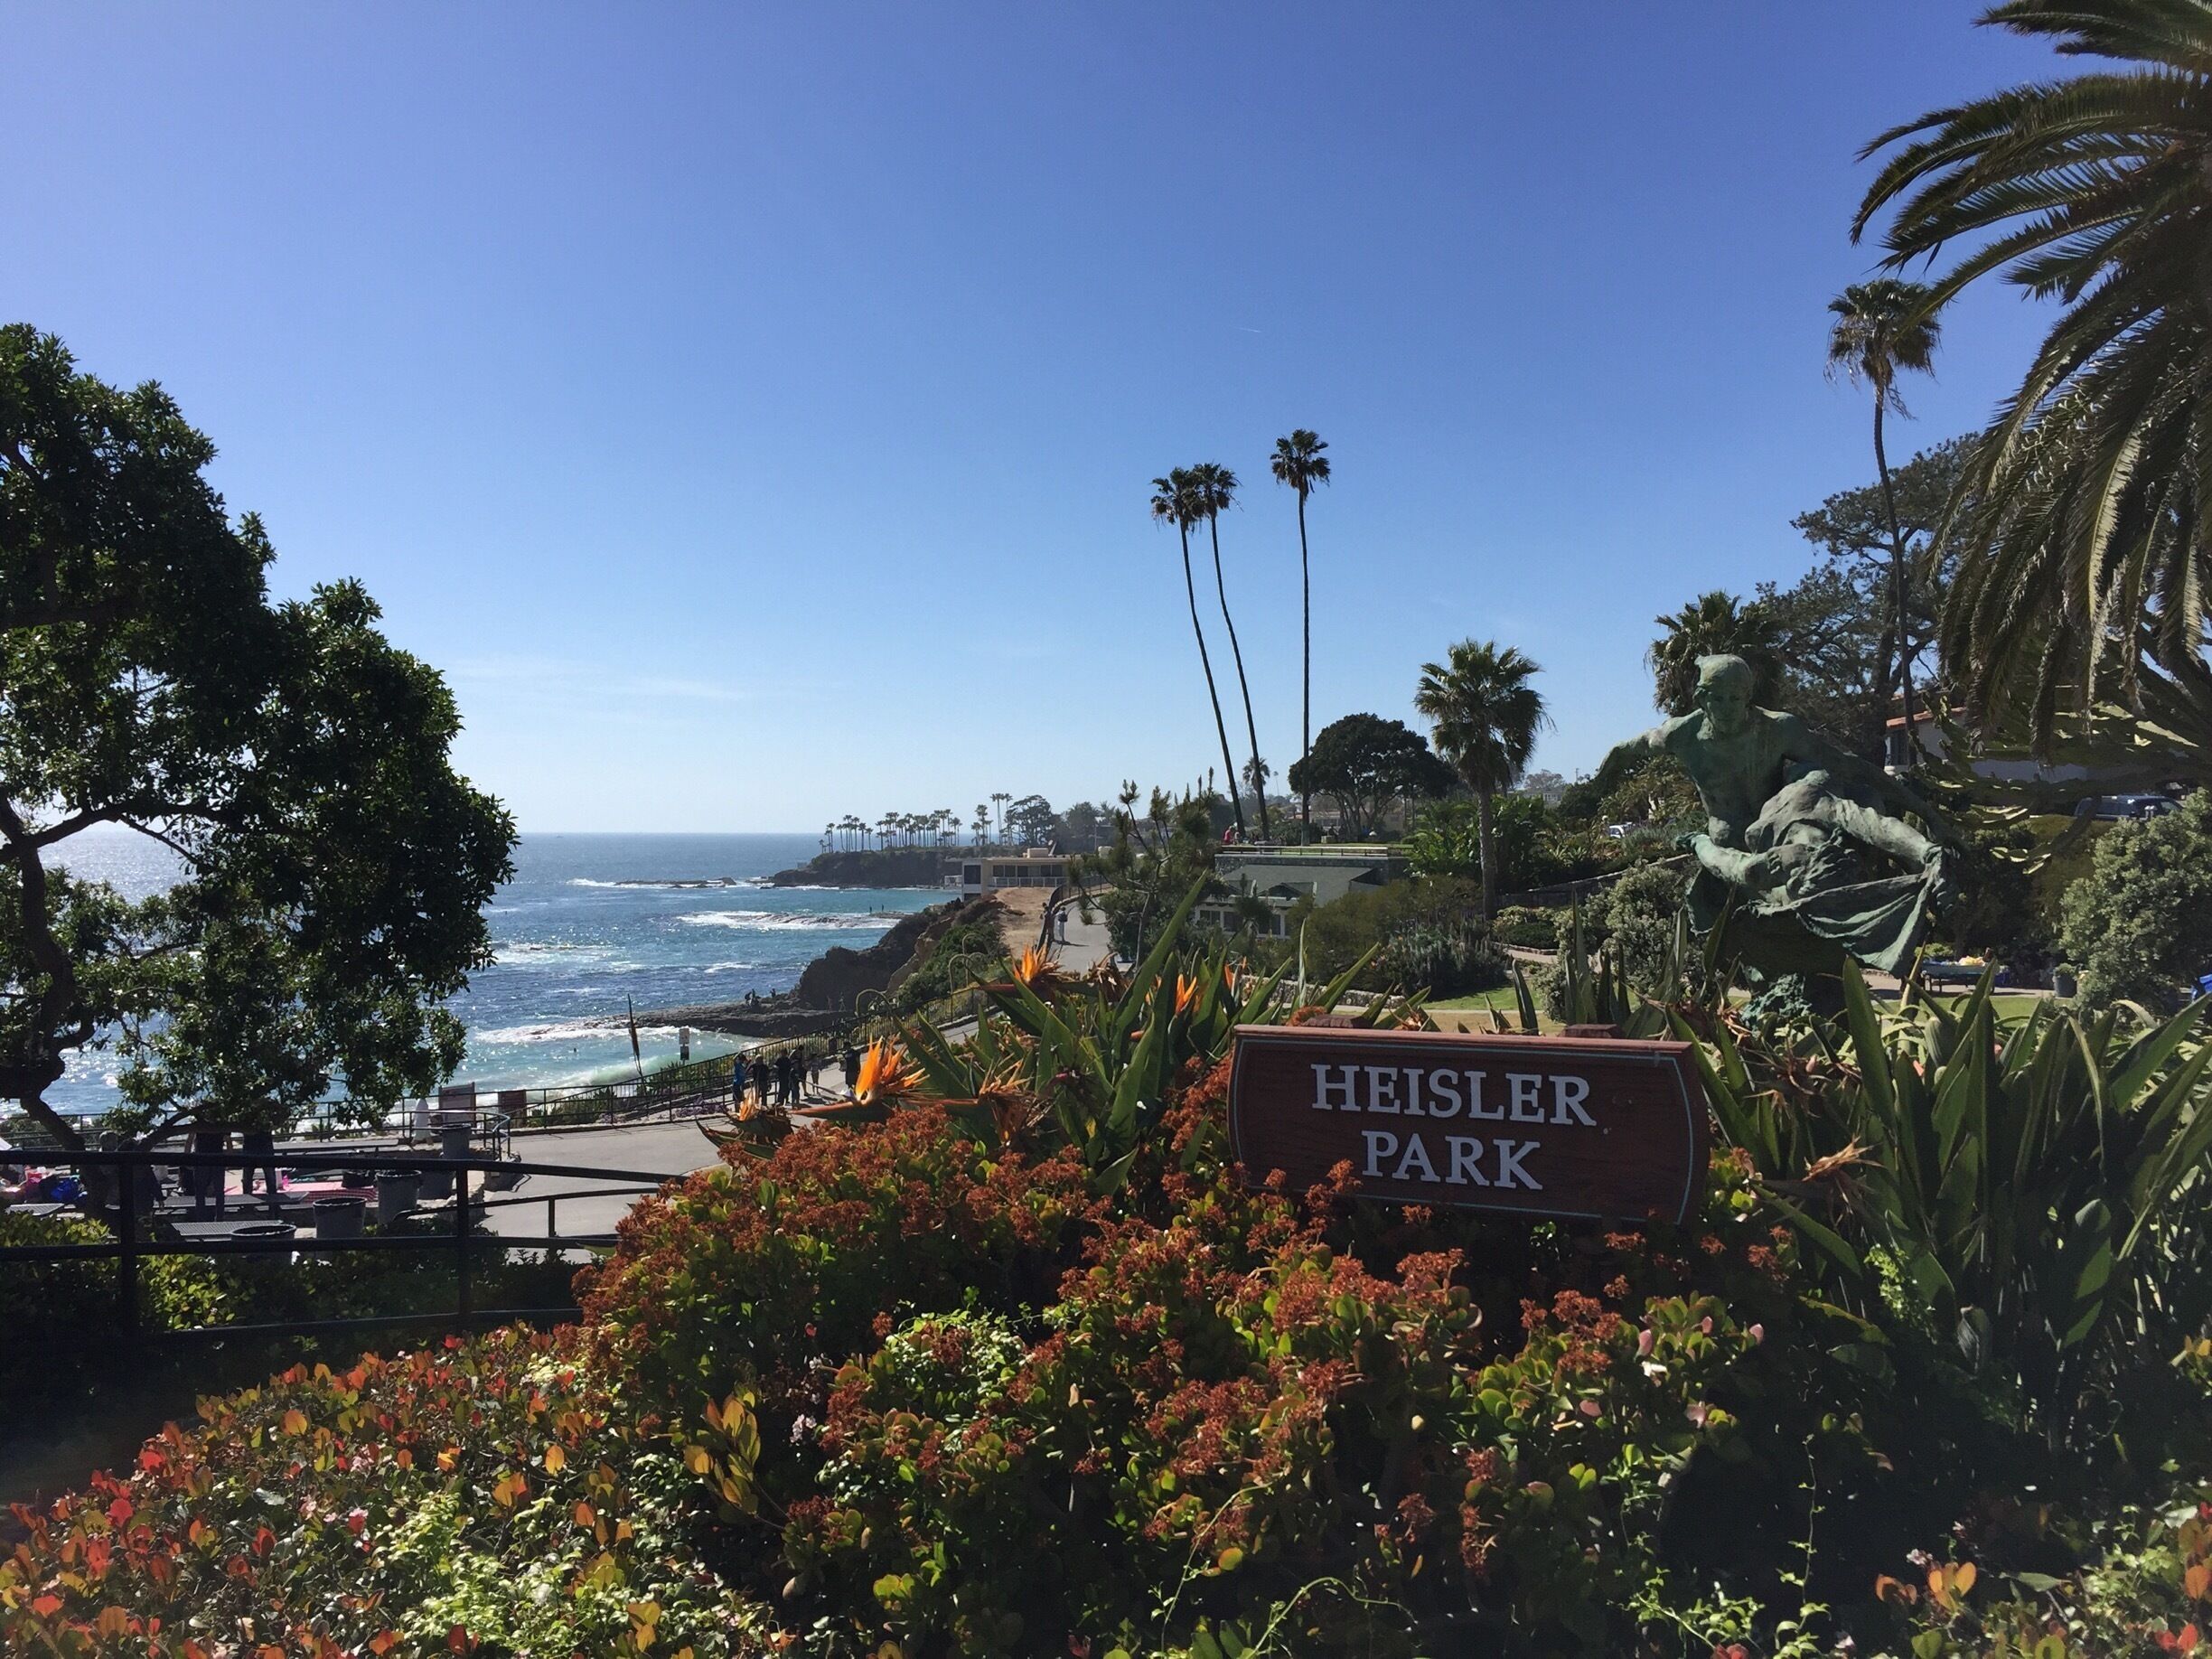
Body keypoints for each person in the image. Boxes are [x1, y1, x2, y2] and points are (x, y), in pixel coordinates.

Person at [239, 1123, 284, 1215]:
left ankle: (272, 1207)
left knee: (267, 1180)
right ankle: (249, 1206)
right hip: (259, 1148)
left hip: (257, 1148)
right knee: (265, 1179)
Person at [190, 1123, 230, 1219]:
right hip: (215, 1158)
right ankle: (218, 1217)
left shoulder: (200, 1123)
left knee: (201, 1192)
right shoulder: (221, 1122)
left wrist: (187, 1157)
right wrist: (229, 1158)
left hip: (203, 1159)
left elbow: (190, 1139)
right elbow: (228, 1141)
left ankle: (202, 1218)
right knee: (217, 1191)